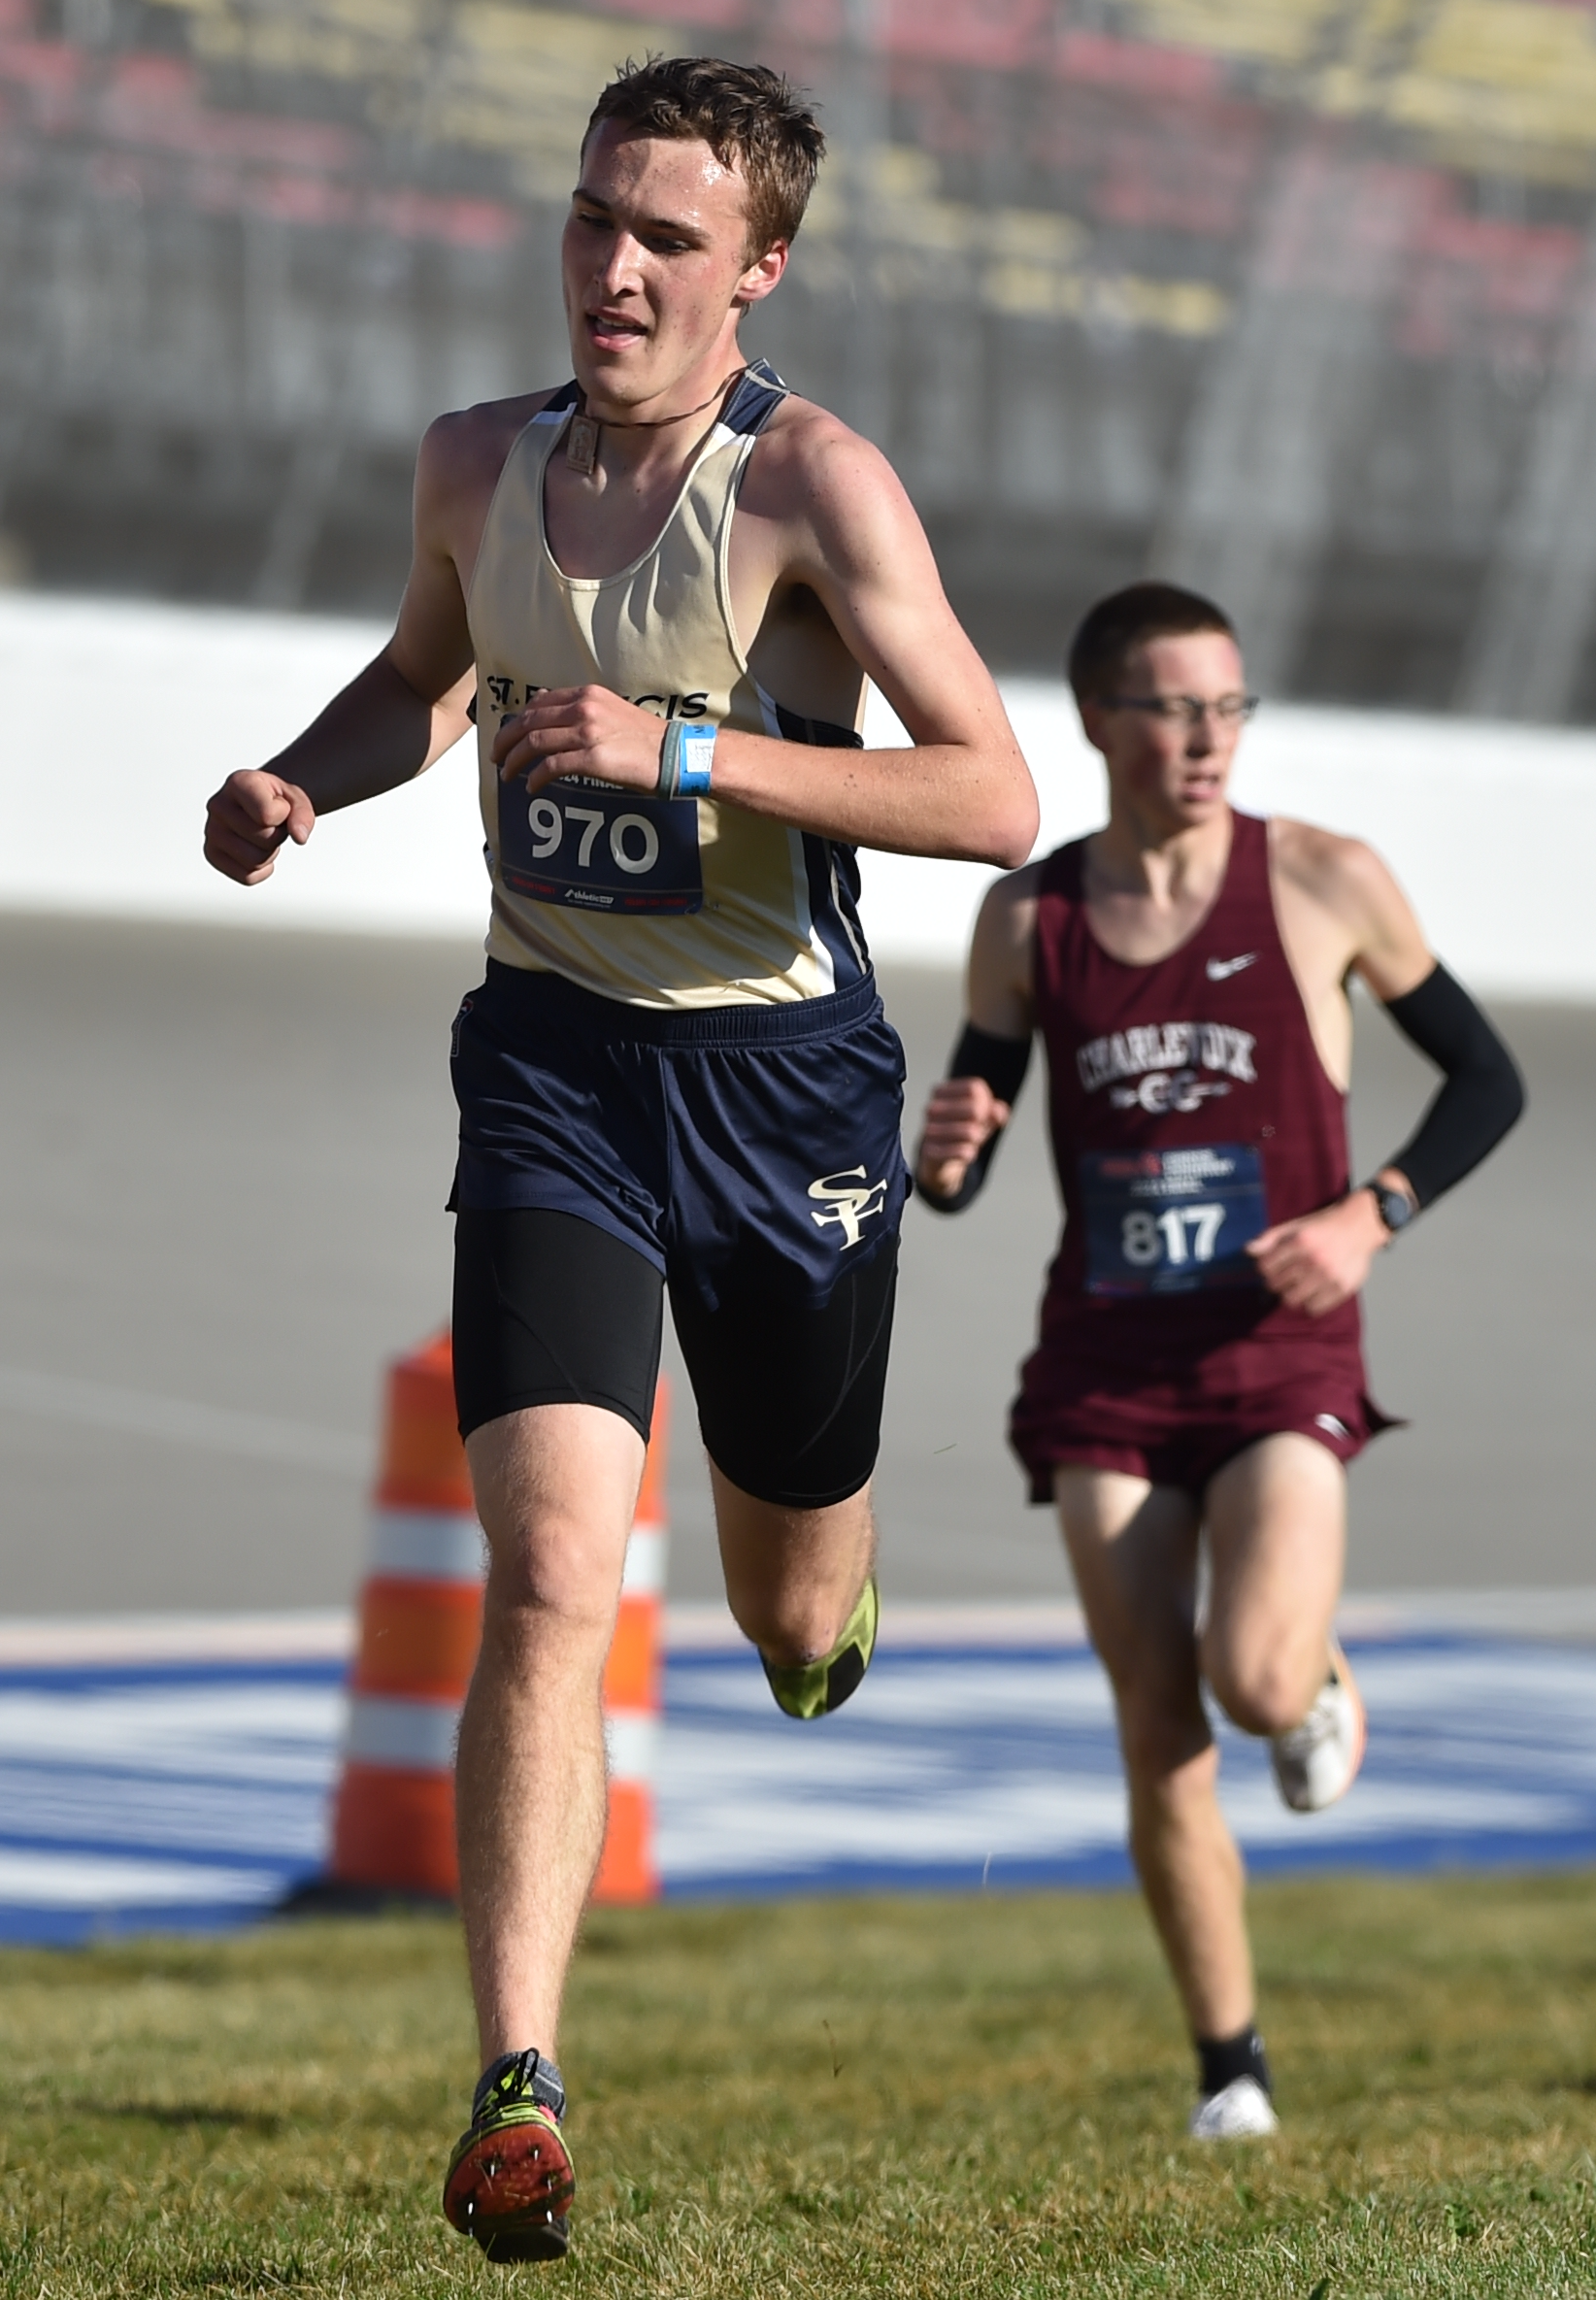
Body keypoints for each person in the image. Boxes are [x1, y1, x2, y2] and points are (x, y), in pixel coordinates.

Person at [204, 53, 1036, 2262]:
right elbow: (419, 683)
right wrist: (302, 776)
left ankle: (825, 1579)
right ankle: (520, 2086)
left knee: (778, 1606)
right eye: (593, 219)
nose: (616, 267)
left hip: (784, 1094)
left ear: (758, 273)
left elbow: (991, 799)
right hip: (555, 1066)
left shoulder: (814, 495)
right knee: (560, 1564)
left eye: (669, 236)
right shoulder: (476, 463)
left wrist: (704, 751)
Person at [915, 581, 1522, 2141]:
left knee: (1249, 1680)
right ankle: (1229, 2070)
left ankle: (1312, 1676)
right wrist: (947, 1150)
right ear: (1102, 721)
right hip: (1107, 1362)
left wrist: (1369, 1218)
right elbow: (969, 1134)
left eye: (1229, 707)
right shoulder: (1030, 918)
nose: (1206, 739)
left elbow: (1487, 1080)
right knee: (1156, 1720)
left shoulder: (1322, 880)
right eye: (1176, 708)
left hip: (1276, 1350)